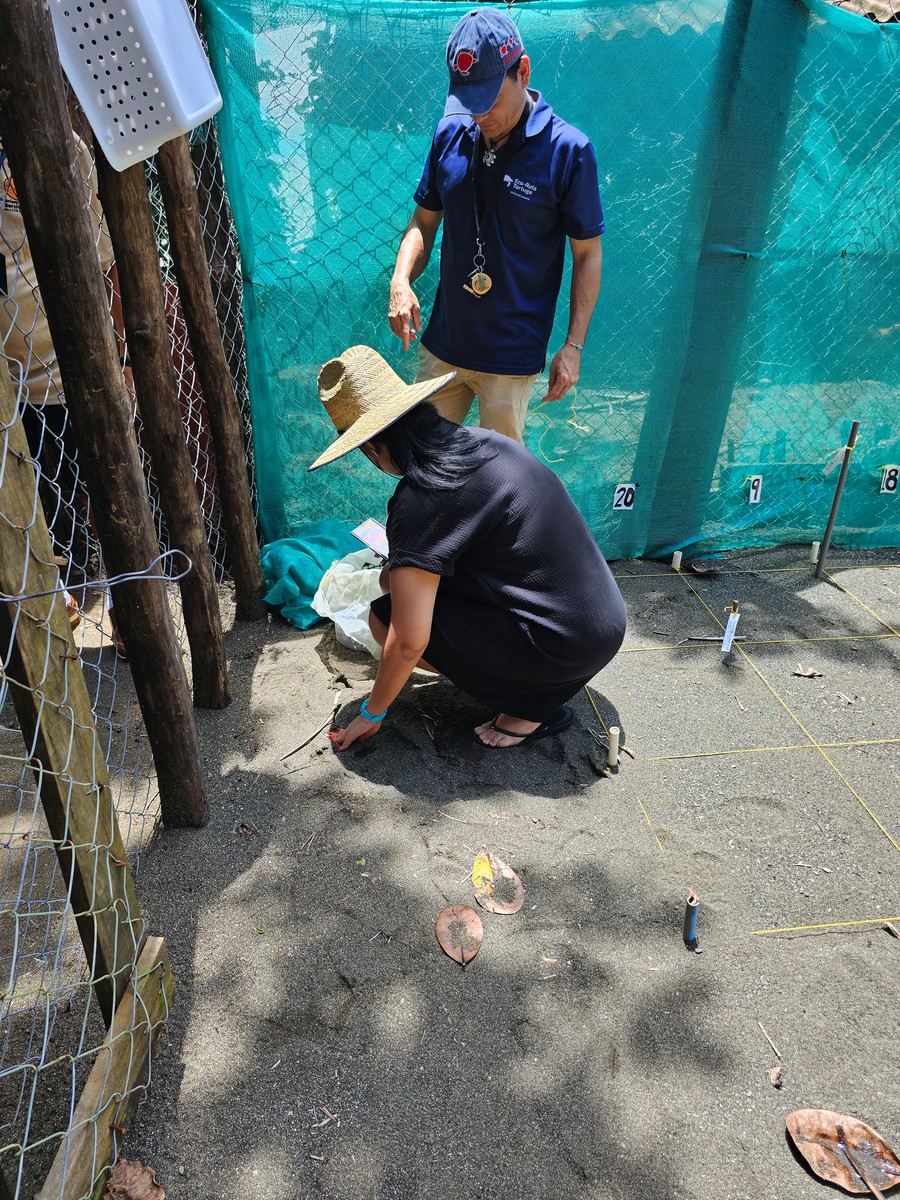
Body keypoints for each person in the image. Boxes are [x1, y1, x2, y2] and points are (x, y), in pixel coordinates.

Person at [309, 346, 625, 749]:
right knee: (402, 595)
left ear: (371, 448)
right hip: (602, 624)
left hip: (560, 644)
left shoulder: (421, 496)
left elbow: (408, 642)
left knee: (383, 619)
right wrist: (399, 569)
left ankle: (528, 708)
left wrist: (371, 713)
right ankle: (536, 683)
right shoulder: (487, 442)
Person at [388, 8, 604, 443]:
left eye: (488, 99)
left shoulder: (569, 151)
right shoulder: (449, 133)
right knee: (421, 462)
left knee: (499, 475)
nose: (479, 114)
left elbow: (587, 254)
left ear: (522, 72)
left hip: (510, 359)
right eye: (468, 101)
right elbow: (423, 222)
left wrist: (574, 345)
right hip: (443, 345)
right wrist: (400, 279)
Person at [1, 132, 128, 652]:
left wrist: (121, 360)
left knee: (105, 490)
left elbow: (104, 264)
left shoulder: (57, 141)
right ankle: (51, 598)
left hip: (68, 368)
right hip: (6, 384)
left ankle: (125, 604)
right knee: (21, 502)